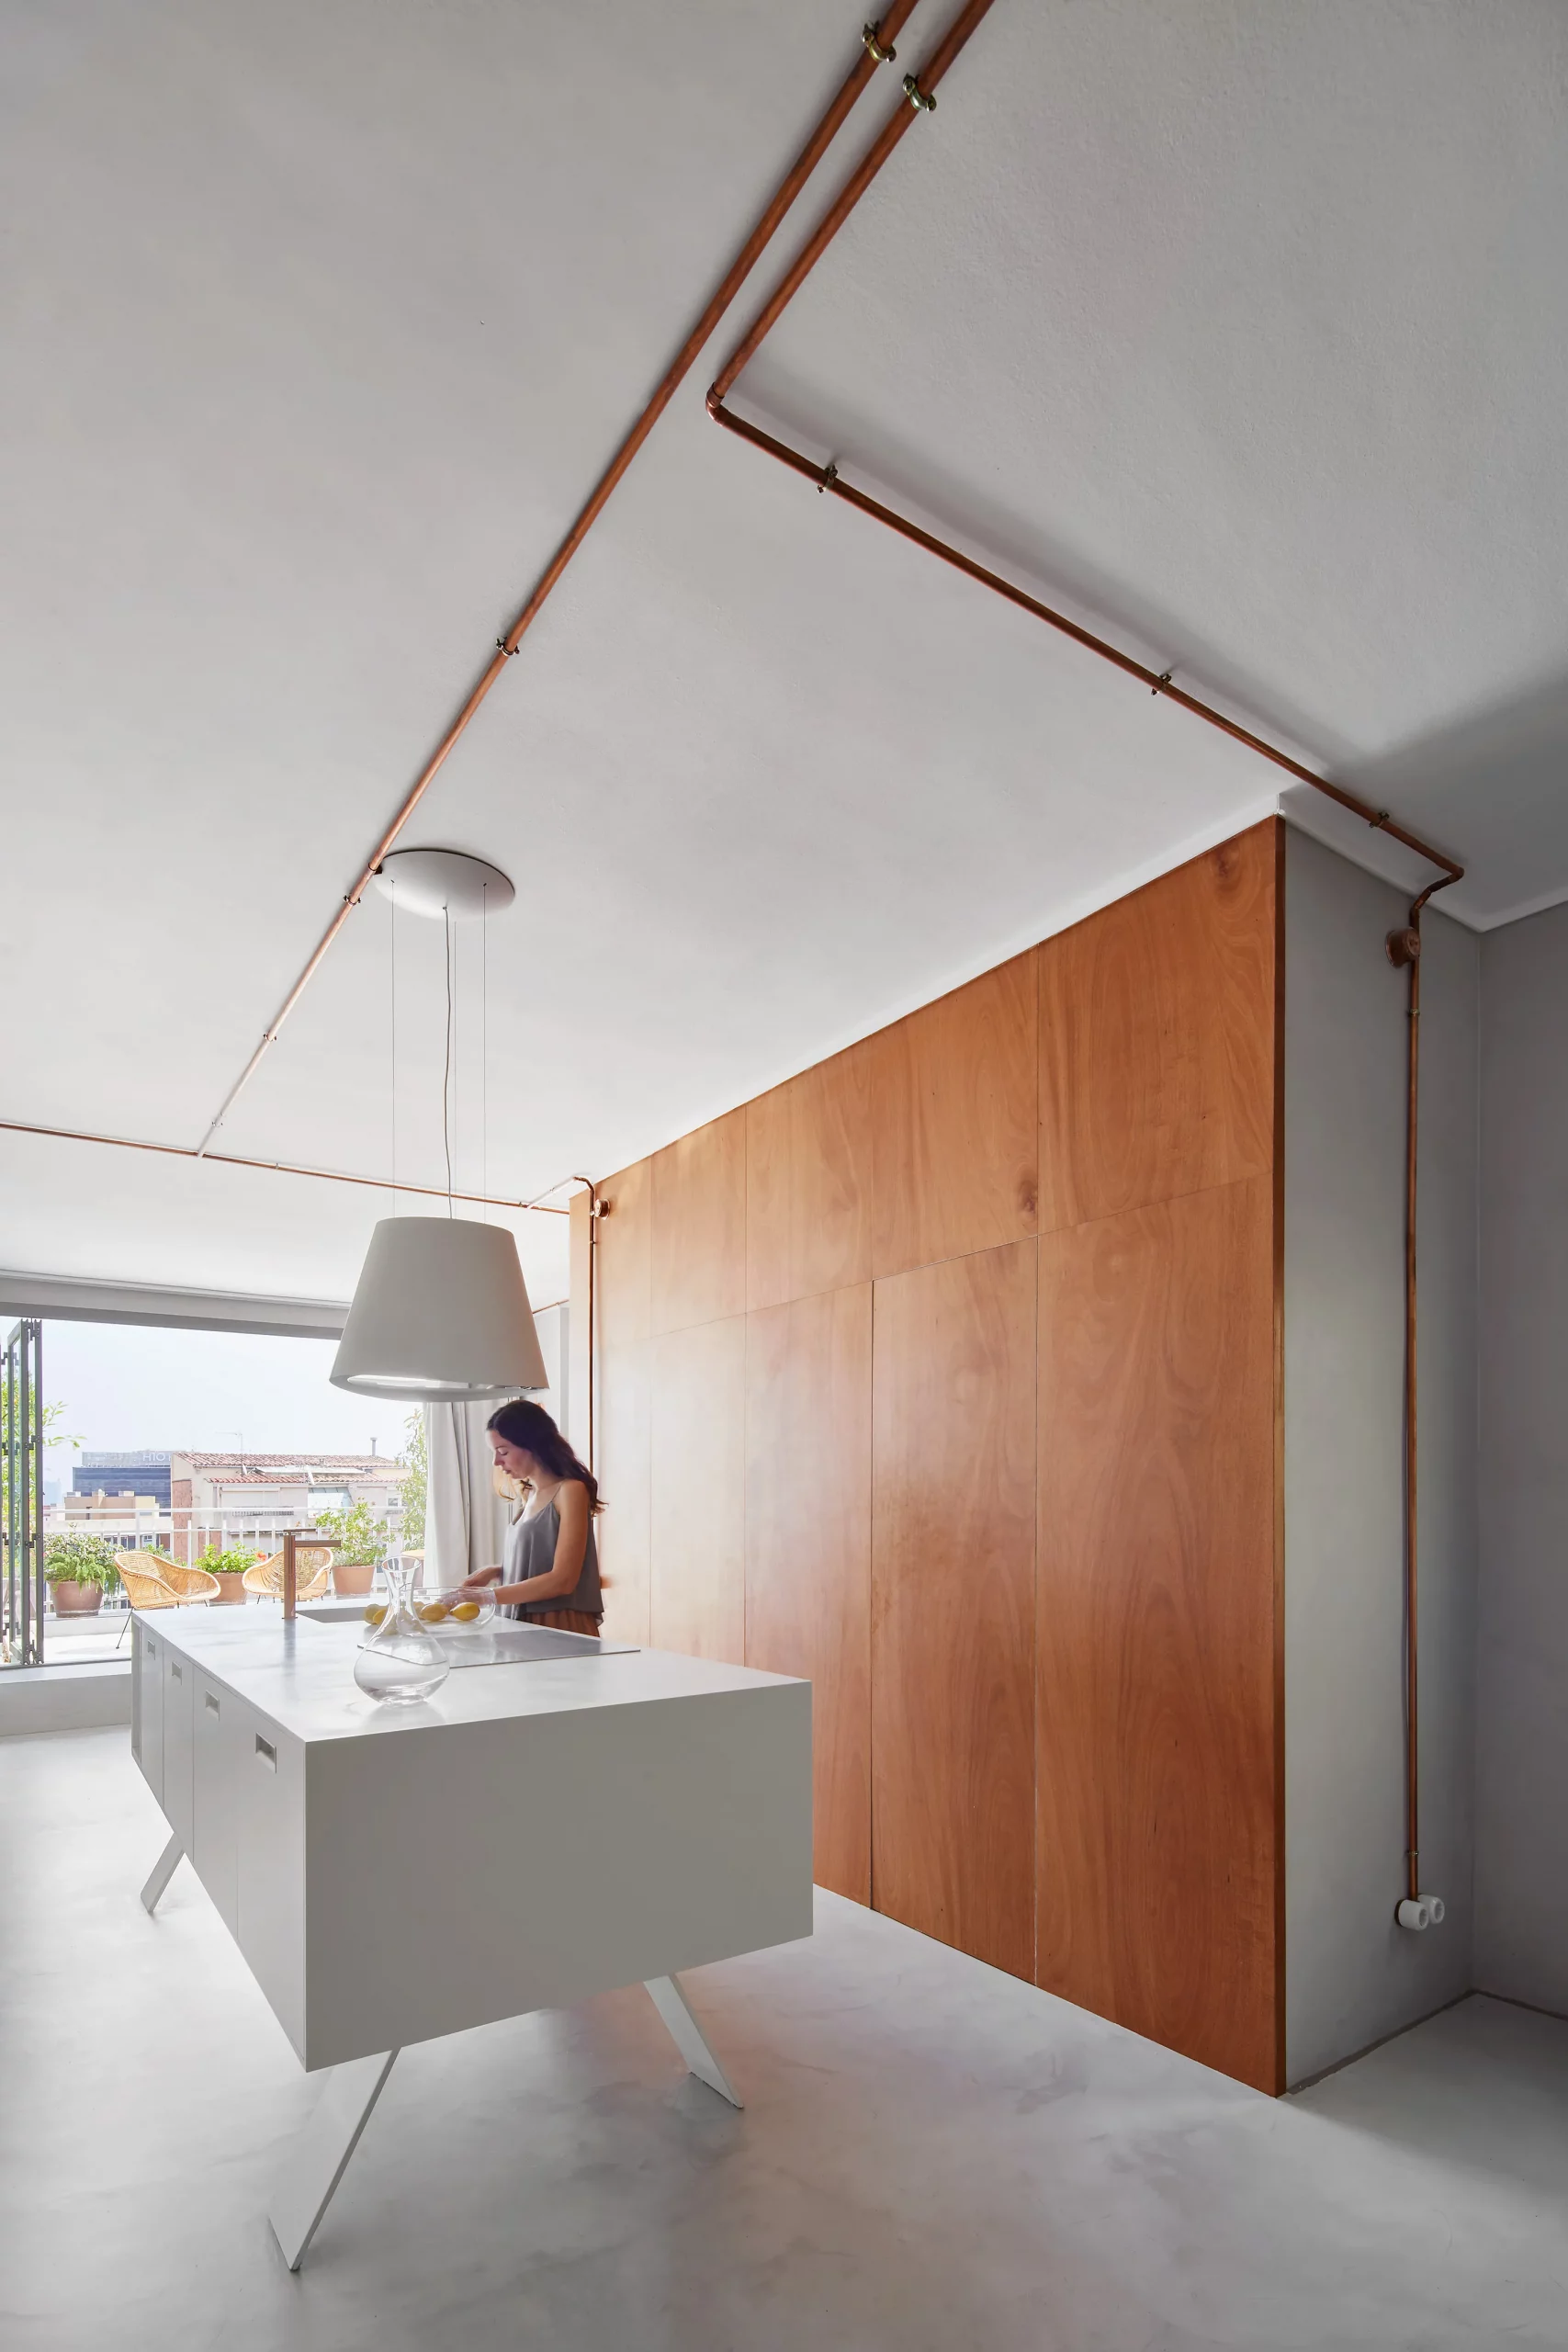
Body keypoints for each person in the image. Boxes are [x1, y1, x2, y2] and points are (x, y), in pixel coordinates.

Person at [455, 1398, 604, 1635]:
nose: (496, 1462)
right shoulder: (528, 1495)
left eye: (503, 1451)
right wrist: (496, 1571)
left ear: (534, 1445)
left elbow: (563, 1579)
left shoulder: (571, 1490)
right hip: (521, 1625)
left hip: (559, 1626)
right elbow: (539, 1560)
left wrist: (485, 1597)